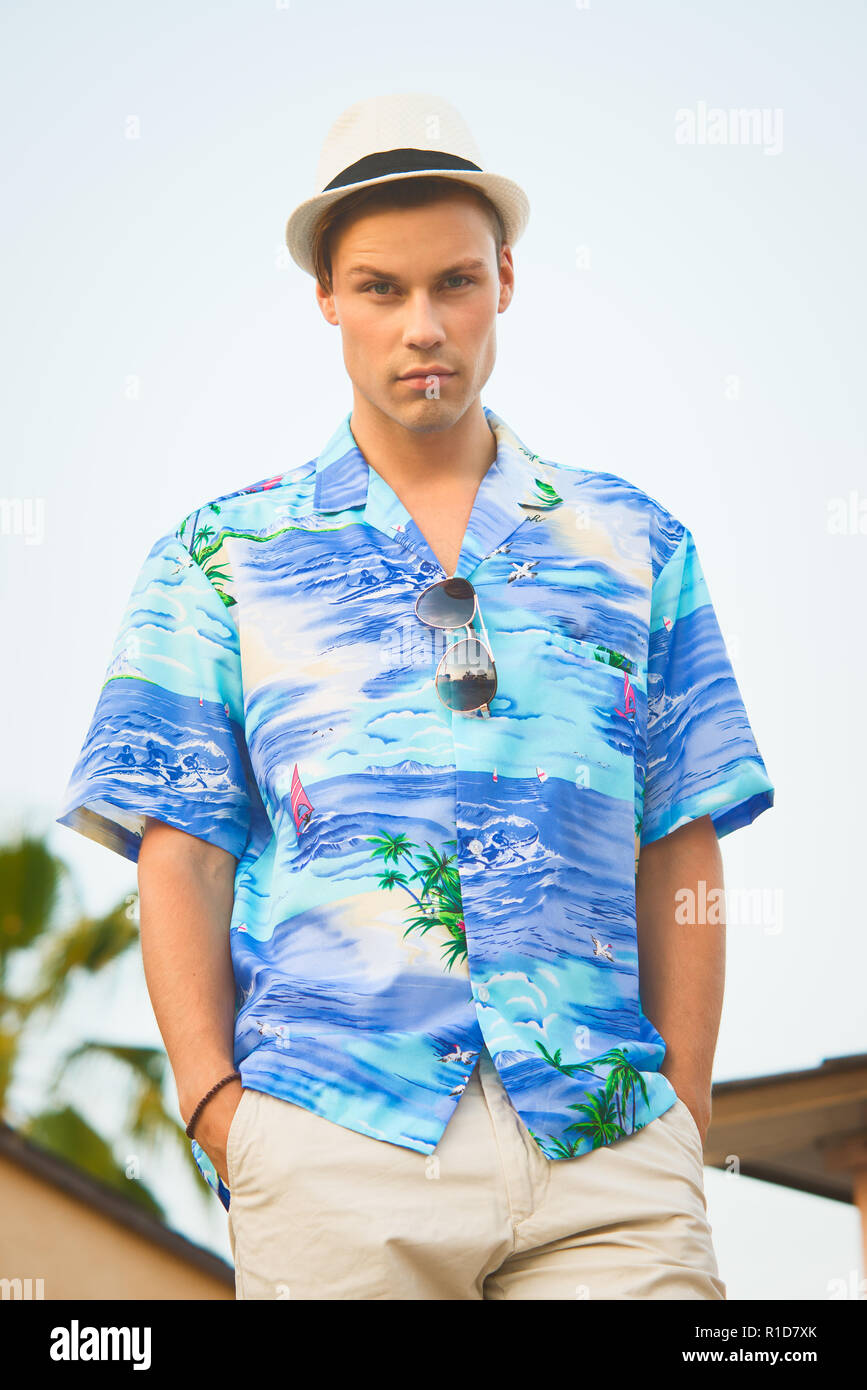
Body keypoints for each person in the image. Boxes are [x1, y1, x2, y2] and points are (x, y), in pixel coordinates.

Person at [57, 92, 775, 1300]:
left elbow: (684, 837)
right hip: (335, 1136)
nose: (423, 325)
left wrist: (683, 1106)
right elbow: (180, 853)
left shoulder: (638, 545)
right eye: (382, 289)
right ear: (327, 299)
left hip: (606, 1146)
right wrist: (217, 1107)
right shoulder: (219, 556)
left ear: (506, 279)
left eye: (454, 282)